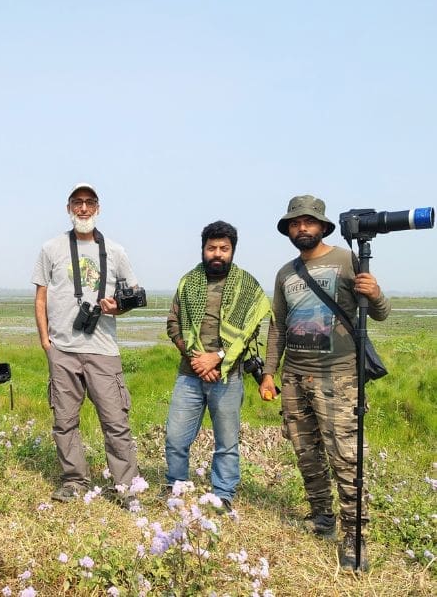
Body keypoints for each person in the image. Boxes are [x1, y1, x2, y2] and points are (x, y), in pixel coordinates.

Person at [259, 195, 391, 572]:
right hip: (295, 377)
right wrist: (270, 372)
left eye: (308, 222)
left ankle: (355, 536)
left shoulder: (347, 261)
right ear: (288, 230)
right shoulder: (286, 273)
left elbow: (381, 313)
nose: (302, 228)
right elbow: (278, 326)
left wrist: (376, 294)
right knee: (306, 453)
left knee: (347, 458)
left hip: (339, 376)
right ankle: (322, 517)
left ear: (322, 226)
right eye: (295, 223)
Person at [32, 183, 141, 507]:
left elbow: (133, 295)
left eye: (89, 203)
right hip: (62, 348)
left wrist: (116, 308)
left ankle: (127, 489)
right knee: (64, 422)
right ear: (68, 208)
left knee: (115, 421)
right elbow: (40, 297)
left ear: (98, 208)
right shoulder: (51, 248)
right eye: (77, 203)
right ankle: (74, 481)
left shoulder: (116, 251)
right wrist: (45, 341)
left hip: (103, 349)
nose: (83, 208)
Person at [164, 221, 270, 511]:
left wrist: (217, 357)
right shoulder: (188, 283)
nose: (217, 253)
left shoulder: (247, 286)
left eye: (224, 248)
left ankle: (223, 495)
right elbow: (173, 324)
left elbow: (249, 333)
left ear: (233, 250)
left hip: (228, 377)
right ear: (203, 250)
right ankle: (176, 488)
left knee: (226, 443)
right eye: (212, 248)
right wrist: (197, 359)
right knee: (175, 438)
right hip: (190, 375)